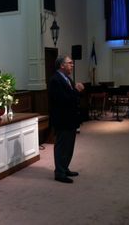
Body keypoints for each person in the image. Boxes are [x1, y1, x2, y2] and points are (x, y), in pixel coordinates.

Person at [48, 55, 84, 183]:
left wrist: (75, 91)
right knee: (62, 146)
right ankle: (59, 173)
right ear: (62, 65)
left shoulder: (67, 78)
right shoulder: (55, 80)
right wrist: (76, 90)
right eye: (70, 63)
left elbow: (71, 98)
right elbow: (63, 100)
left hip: (70, 119)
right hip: (62, 120)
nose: (72, 65)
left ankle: (65, 168)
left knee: (69, 146)